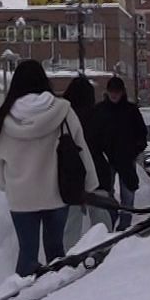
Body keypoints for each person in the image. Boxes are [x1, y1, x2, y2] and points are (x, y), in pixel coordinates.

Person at [0, 60, 99, 277]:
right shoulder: (63, 111)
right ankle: (55, 298)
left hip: (21, 198)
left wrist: (5, 184)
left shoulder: (4, 117)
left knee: (27, 253)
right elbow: (81, 149)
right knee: (55, 250)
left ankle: (22, 299)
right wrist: (90, 184)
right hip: (56, 192)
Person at [93, 76, 149, 229]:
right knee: (108, 194)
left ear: (122, 92)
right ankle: (113, 220)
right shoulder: (100, 111)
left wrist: (135, 150)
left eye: (116, 92)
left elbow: (142, 134)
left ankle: (124, 225)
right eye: (112, 91)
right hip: (107, 159)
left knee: (128, 194)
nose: (114, 95)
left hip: (125, 158)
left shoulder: (130, 110)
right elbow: (94, 135)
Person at [60, 77, 113, 240]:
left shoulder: (63, 118)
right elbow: (109, 144)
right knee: (101, 218)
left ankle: (71, 257)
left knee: (71, 223)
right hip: (98, 173)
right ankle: (104, 252)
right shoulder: (99, 115)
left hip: (71, 176)